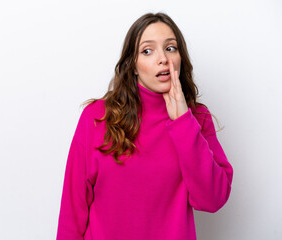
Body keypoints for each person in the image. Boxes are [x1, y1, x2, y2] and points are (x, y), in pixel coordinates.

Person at [56, 12, 233, 240]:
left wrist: (182, 122)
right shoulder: (97, 117)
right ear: (134, 66)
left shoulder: (197, 118)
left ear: (180, 57)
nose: (162, 58)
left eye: (170, 48)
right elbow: (73, 210)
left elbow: (213, 199)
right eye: (147, 51)